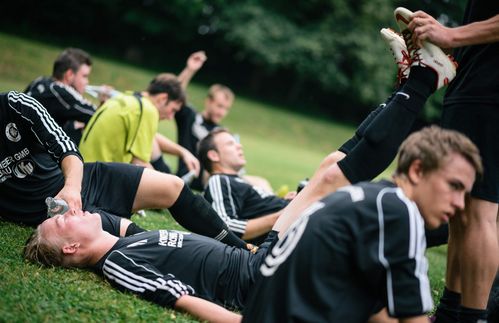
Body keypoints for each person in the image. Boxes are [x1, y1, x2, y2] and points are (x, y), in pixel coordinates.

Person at [23, 126, 482, 323]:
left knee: (330, 171)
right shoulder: (118, 265)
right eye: (61, 224)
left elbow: (113, 221)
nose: (70, 212)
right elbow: (179, 298)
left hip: (257, 260)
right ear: (70, 250)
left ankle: (411, 86)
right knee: (331, 177)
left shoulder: (121, 237)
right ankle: (415, 85)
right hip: (256, 274)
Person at [242, 125, 482, 323]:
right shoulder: (400, 212)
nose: (461, 204)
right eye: (454, 186)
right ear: (417, 170)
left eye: (465, 195)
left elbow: (375, 311)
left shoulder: (366, 198)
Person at [271, 24, 457, 250]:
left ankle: (406, 87)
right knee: (333, 180)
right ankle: (421, 81)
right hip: (260, 264)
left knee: (332, 165)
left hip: (258, 255)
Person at [0, 91, 248, 249]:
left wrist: (72, 188)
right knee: (139, 238)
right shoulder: (140, 104)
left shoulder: (16, 105)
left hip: (85, 180)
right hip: (58, 218)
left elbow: (68, 150)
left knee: (174, 186)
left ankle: (241, 249)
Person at [394, 5, 499, 322]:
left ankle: (471, 318)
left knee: (481, 212)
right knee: (463, 211)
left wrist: (452, 35)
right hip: (473, 84)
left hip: (489, 91)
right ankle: (451, 312)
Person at [199, 128, 293, 243]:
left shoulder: (239, 181)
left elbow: (259, 209)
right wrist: (282, 216)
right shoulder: (219, 180)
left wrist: (286, 201)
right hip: (294, 227)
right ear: (214, 155)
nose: (239, 146)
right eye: (230, 144)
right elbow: (225, 226)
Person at [24, 48, 110, 144]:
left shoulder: (40, 81)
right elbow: (97, 116)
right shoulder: (60, 91)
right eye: (84, 76)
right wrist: (105, 102)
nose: (87, 82)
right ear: (69, 75)